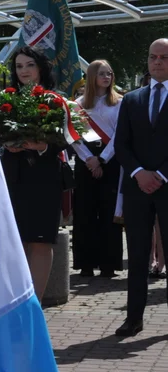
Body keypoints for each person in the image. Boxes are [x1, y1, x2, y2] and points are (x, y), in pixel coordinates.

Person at [0, 46, 70, 300]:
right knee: (17, 241)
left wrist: (43, 146)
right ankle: (15, 301)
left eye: (29, 65)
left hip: (44, 177)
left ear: (40, 67)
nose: (24, 71)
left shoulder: (56, 99)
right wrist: (6, 142)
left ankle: (34, 305)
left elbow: (67, 137)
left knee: (40, 242)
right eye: (19, 66)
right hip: (14, 177)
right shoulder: (5, 100)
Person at [112, 39, 168, 338]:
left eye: (164, 57)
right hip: (137, 187)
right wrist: (138, 173)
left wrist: (159, 174)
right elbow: (121, 143)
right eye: (152, 57)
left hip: (166, 184)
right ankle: (133, 318)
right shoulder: (132, 99)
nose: (157, 62)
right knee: (136, 255)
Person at [70, 59, 123, 279]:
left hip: (110, 162)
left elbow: (121, 134)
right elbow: (74, 136)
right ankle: (86, 264)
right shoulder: (78, 104)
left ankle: (109, 264)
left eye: (109, 73)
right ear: (92, 76)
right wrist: (90, 159)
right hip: (86, 162)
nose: (107, 77)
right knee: (85, 213)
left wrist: (102, 160)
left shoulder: (120, 102)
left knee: (109, 212)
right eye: (102, 73)